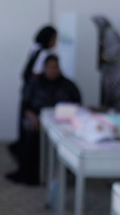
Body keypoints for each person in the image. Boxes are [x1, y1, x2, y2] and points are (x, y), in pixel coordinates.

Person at [6, 55, 81, 185]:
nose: (53, 70)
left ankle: (66, 171)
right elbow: (25, 105)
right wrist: (33, 116)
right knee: (30, 131)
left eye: (55, 67)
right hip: (36, 119)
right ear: (44, 68)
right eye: (50, 67)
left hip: (61, 122)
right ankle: (31, 174)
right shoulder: (35, 83)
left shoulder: (68, 85)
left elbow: (77, 106)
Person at [9, 25, 57, 160]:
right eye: (54, 39)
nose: (55, 42)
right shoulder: (44, 53)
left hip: (28, 90)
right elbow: (35, 74)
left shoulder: (36, 48)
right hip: (34, 93)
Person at [91, 15, 120, 115]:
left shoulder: (109, 33)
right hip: (117, 70)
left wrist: (100, 57)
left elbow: (112, 54)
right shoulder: (107, 33)